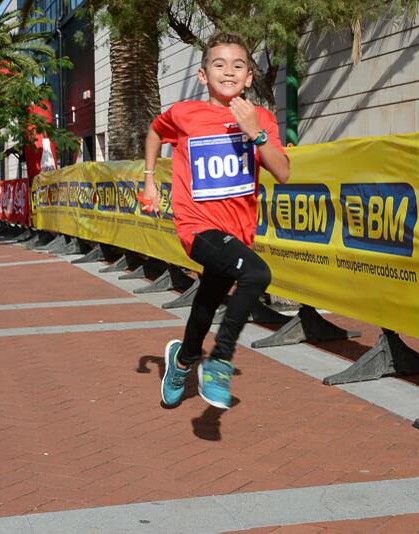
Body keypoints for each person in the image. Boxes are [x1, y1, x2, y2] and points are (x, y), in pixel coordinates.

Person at [142, 32, 290, 409]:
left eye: (238, 66)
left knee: (207, 302)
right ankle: (220, 362)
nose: (229, 72)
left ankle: (182, 360)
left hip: (237, 232)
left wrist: (254, 132)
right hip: (197, 227)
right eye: (219, 65)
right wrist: (149, 180)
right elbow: (156, 131)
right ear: (204, 75)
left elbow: (284, 172)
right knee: (257, 275)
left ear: (249, 77)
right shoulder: (185, 114)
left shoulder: (263, 119)